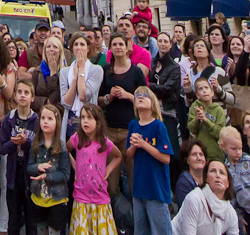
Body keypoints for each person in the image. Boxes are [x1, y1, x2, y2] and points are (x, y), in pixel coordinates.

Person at [100, 34, 147, 193]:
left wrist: (128, 95)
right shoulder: (106, 70)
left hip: (130, 130)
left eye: (121, 44)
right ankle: (114, 215)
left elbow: (147, 99)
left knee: (134, 180)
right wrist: (109, 96)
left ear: (128, 47)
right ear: (110, 47)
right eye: (115, 44)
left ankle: (136, 215)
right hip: (110, 130)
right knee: (111, 184)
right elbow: (99, 100)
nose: (118, 47)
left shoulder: (136, 72)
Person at [125, 87, 173, 235]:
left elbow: (166, 158)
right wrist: (134, 146)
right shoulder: (133, 125)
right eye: (137, 95)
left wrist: (144, 145)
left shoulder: (159, 126)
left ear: (153, 104)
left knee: (160, 230)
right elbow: (129, 153)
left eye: (145, 96)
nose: (140, 97)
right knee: (140, 231)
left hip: (156, 189)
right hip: (139, 188)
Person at [67, 104, 120, 235]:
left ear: (98, 122)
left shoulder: (105, 142)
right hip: (81, 198)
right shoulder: (76, 138)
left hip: (100, 197)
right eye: (83, 117)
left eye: (89, 118)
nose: (85, 121)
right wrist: (74, 165)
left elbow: (118, 156)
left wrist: (108, 169)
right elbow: (65, 150)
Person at [0, 78, 38, 235]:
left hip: (30, 176)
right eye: (20, 92)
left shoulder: (36, 120)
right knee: (13, 219)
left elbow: (38, 149)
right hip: (13, 174)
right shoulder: (9, 119)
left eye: (26, 93)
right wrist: (14, 143)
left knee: (31, 219)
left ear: (32, 97)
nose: (22, 96)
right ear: (14, 96)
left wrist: (26, 142)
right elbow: (2, 148)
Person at [25, 104, 71, 235]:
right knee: (41, 231)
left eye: (50, 119)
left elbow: (65, 174)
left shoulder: (61, 146)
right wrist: (38, 167)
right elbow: (29, 167)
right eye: (43, 118)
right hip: (38, 198)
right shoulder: (35, 143)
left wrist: (47, 176)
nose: (45, 121)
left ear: (57, 122)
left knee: (55, 231)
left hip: (57, 200)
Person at [173, 160, 237, 235]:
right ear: (206, 179)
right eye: (213, 171)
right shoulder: (194, 199)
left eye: (222, 173)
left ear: (227, 183)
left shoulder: (230, 212)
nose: (217, 175)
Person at [59, 34, 103, 126]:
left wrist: (81, 69)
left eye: (82, 44)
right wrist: (75, 78)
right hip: (70, 119)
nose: (79, 47)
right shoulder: (64, 72)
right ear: (72, 49)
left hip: (89, 118)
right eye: (76, 44)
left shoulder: (96, 70)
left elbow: (84, 96)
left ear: (88, 48)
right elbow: (65, 103)